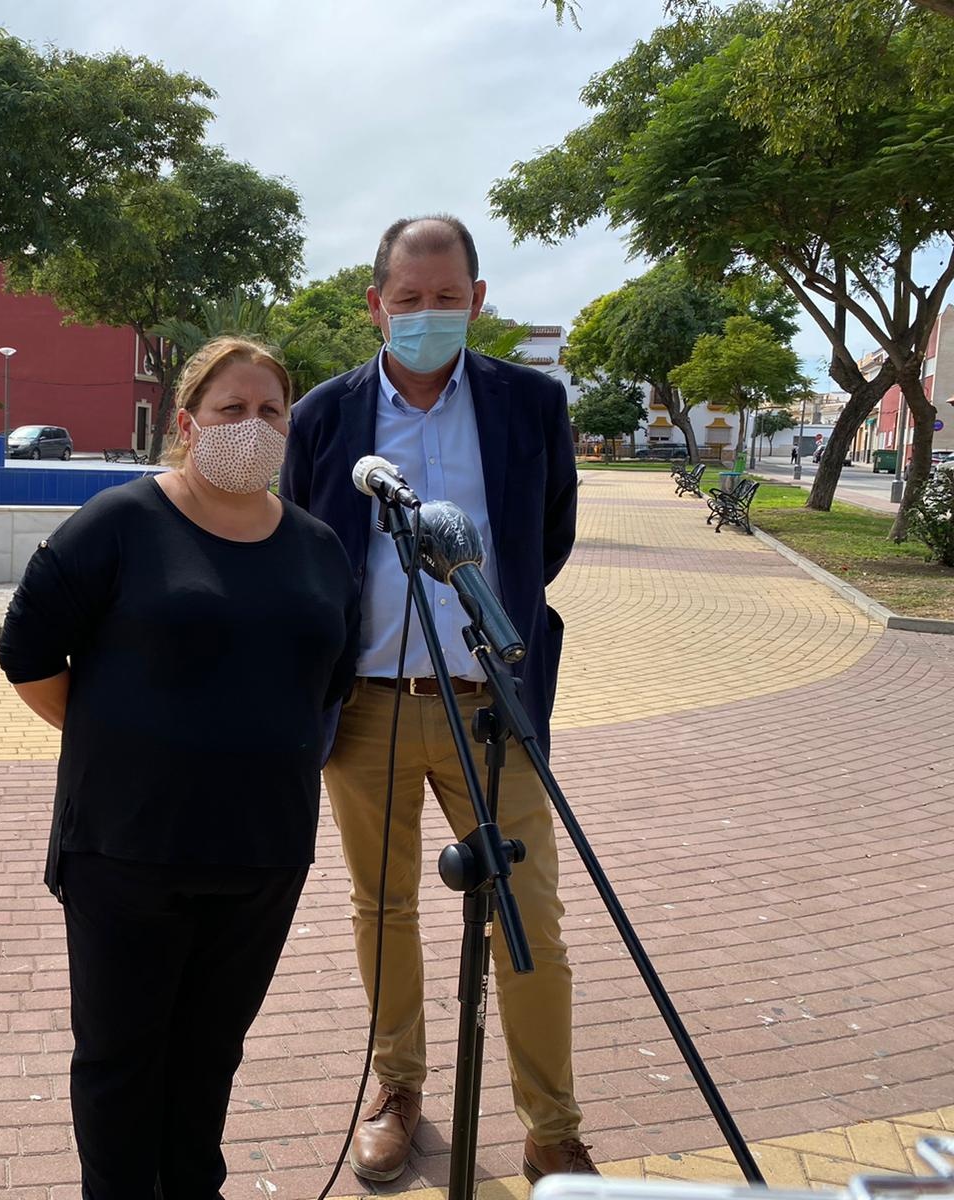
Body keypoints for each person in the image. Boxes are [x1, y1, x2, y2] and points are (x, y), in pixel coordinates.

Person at [0, 336, 359, 1200]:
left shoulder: (318, 547)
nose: (253, 425)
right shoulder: (120, 523)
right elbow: (28, 654)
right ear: (187, 422)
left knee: (209, 1054)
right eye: (232, 408)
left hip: (263, 850)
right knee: (122, 1060)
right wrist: (125, 737)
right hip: (129, 848)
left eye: (270, 410)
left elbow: (328, 683)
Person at [279, 216, 593, 1184]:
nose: (427, 314)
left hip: (491, 706)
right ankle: (397, 1088)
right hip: (365, 708)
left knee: (528, 919)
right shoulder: (324, 417)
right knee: (382, 909)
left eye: (446, 297)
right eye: (408, 299)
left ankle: (551, 1127)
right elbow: (300, 547)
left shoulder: (529, 403)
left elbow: (544, 542)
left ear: (477, 301)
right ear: (375, 305)